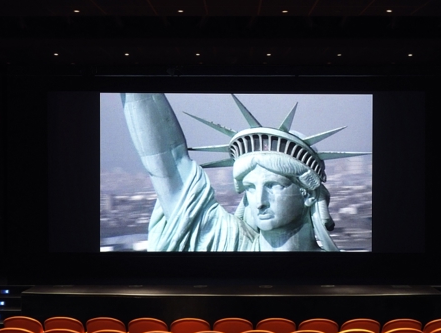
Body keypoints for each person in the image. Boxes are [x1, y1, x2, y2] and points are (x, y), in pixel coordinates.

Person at [123, 92, 357, 251]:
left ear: (307, 193)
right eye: (250, 189)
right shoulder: (229, 241)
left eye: (273, 185)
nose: (259, 202)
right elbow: (168, 163)